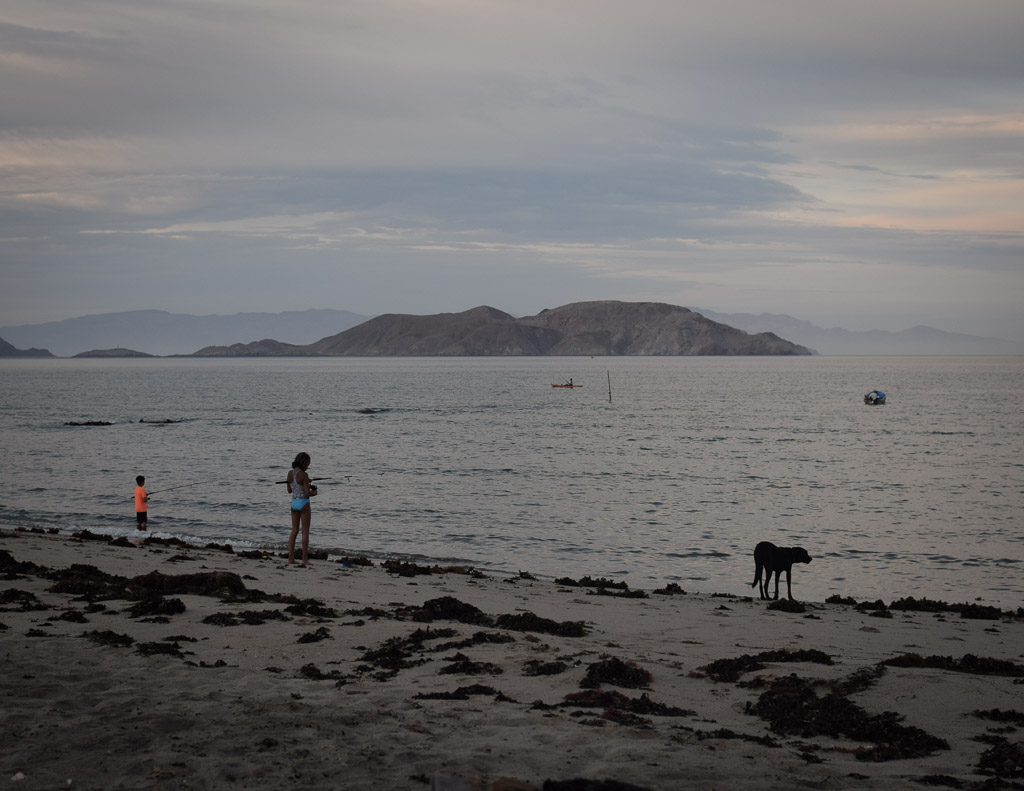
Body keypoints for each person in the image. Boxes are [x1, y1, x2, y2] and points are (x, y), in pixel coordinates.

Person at [286, 452, 317, 566]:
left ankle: (290, 558)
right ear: (304, 463)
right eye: (308, 464)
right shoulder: (304, 474)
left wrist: (305, 483)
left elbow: (289, 490)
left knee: (294, 530)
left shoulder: (290, 473)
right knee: (305, 531)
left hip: (294, 503)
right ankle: (304, 559)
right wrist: (315, 492)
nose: (308, 466)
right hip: (303, 503)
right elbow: (307, 493)